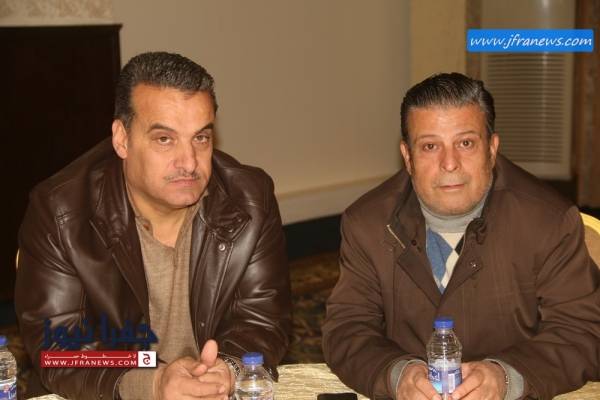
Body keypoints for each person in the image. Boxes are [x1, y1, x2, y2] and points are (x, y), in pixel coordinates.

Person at [15, 52, 291, 399]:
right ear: (122, 139)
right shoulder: (61, 212)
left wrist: (228, 368)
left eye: (201, 138)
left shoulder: (249, 198)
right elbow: (58, 350)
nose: (189, 162)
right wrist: (152, 382)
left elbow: (264, 321)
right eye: (165, 139)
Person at [322, 73, 600, 400]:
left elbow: (581, 332)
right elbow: (347, 328)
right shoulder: (367, 223)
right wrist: (397, 375)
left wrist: (506, 377)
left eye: (465, 143)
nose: (450, 163)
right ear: (408, 157)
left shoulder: (547, 220)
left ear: (492, 149)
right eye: (430, 146)